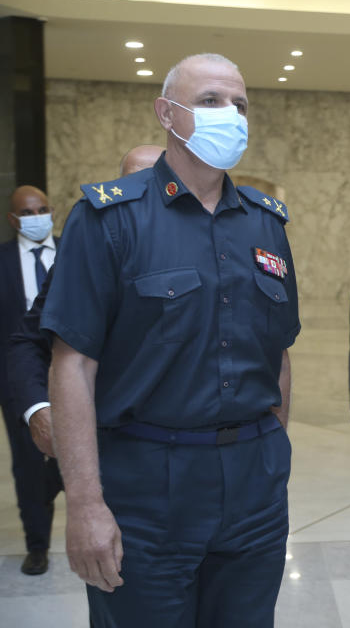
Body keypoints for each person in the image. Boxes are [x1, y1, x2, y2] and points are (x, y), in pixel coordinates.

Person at [40, 54, 299, 627]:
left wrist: (272, 454)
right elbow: (73, 365)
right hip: (147, 486)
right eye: (210, 101)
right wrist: (84, 503)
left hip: (254, 485)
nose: (230, 115)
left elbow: (277, 352)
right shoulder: (108, 218)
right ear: (167, 113)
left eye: (239, 104)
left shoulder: (266, 223)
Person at [7, 145, 164, 460]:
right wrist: (38, 408)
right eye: (134, 184)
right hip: (121, 443)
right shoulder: (88, 257)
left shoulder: (215, 250)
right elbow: (27, 341)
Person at [0, 185, 63, 575]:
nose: (36, 216)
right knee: (27, 464)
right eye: (27, 212)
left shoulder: (75, 251)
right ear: (13, 219)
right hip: (20, 380)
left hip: (73, 374)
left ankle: (55, 482)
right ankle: (37, 545)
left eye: (42, 209)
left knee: (73, 455)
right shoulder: (3, 260)